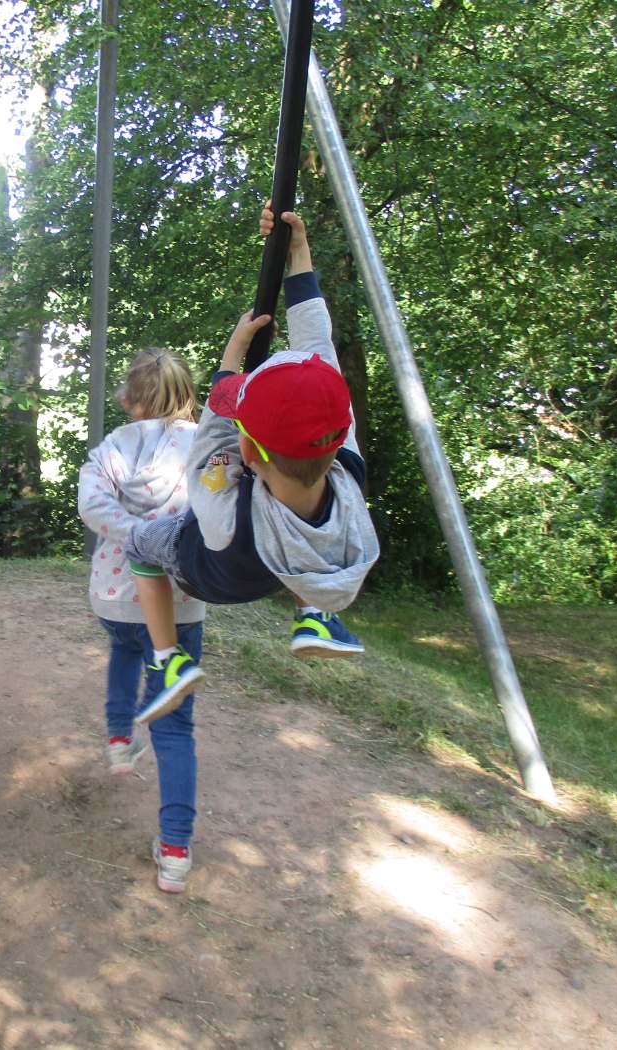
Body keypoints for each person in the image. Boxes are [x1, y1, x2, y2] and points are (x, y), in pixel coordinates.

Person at [127, 205, 380, 733]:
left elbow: (213, 429)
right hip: (277, 567)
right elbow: (317, 346)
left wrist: (234, 351)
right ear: (340, 433)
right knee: (311, 526)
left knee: (139, 547)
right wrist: (297, 251)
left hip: (212, 572)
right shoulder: (346, 467)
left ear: (249, 452)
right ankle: (315, 613)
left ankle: (168, 658)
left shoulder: (225, 507)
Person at [78, 348, 207, 893]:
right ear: (188, 395)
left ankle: (116, 738)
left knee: (124, 650)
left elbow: (91, 505)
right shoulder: (206, 444)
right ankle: (175, 850)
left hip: (113, 594)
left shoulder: (115, 447)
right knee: (175, 725)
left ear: (130, 399)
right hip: (179, 605)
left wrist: (135, 537)